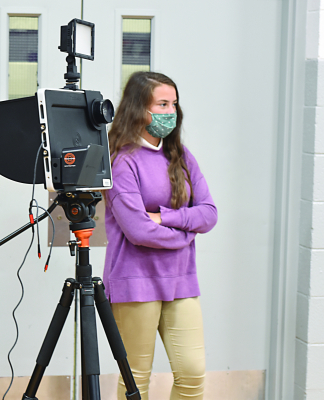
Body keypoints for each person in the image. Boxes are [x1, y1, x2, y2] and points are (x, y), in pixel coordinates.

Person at [103, 71, 218, 400]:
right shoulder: (122, 161)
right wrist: (186, 232)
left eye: (174, 104)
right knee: (135, 382)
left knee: (193, 374)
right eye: (162, 104)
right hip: (135, 281)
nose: (171, 111)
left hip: (181, 279)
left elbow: (209, 214)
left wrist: (165, 217)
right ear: (139, 109)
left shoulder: (180, 155)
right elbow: (139, 231)